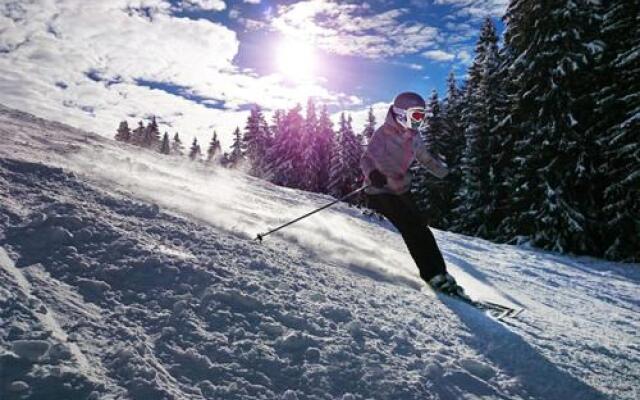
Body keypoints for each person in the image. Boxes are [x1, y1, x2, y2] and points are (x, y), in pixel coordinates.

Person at [361, 92, 465, 296]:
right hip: (380, 190)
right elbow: (366, 159)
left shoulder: (414, 137)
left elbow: (426, 159)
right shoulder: (383, 134)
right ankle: (432, 274)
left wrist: (446, 174)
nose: (419, 121)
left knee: (422, 228)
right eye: (416, 116)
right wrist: (372, 173)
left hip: (401, 189)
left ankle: (441, 273)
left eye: (422, 116)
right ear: (401, 114)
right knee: (411, 227)